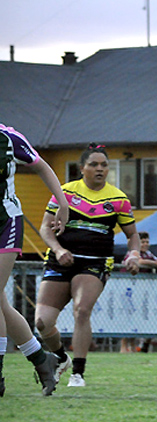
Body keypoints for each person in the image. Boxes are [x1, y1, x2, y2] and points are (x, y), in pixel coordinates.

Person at [35, 143, 141, 388]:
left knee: (82, 310)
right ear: (82, 168)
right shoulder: (65, 192)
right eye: (93, 164)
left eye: (104, 165)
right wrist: (59, 250)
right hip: (60, 260)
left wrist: (134, 254)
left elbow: (133, 235)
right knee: (42, 323)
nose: (100, 169)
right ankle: (61, 359)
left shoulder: (118, 199)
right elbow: (45, 228)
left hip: (94, 263)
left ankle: (78, 373)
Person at [0, 124, 69, 397]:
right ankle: (42, 360)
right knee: (1, 303)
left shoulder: (8, 137)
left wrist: (62, 203)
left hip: (6, 223)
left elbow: (41, 165)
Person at [122, 231, 157, 353]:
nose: (145, 244)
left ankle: (132, 345)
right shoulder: (132, 253)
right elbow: (139, 261)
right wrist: (155, 264)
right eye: (142, 242)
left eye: (147, 242)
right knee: (127, 317)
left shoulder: (148, 254)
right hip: (129, 289)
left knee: (136, 319)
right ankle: (123, 346)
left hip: (142, 292)